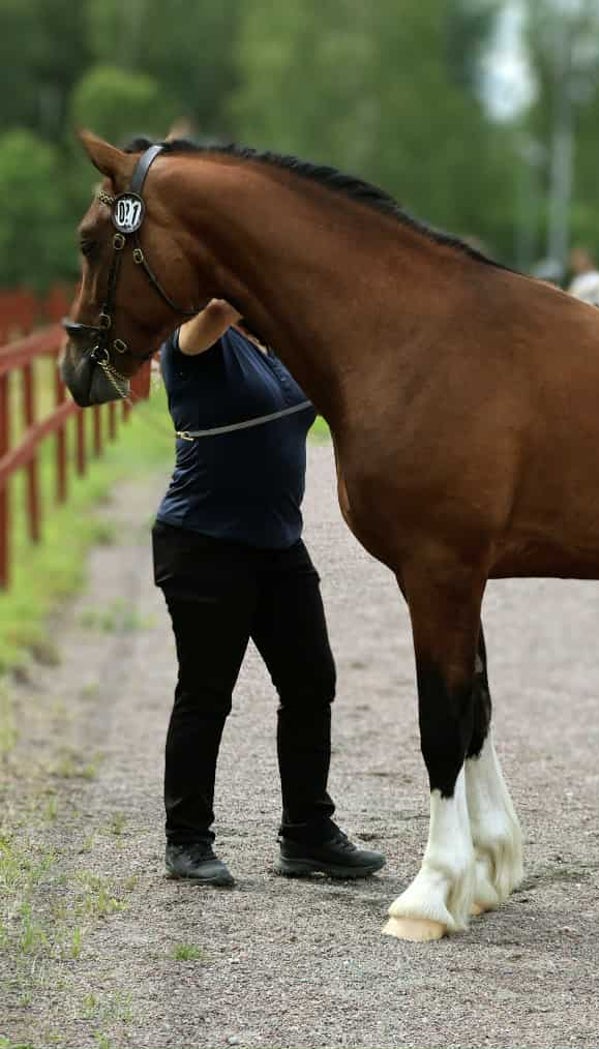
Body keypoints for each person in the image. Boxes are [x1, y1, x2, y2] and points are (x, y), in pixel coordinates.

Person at [153, 298, 385, 886]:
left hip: (279, 544)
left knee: (312, 682)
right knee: (207, 694)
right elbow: (212, 314)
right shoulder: (194, 341)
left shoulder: (277, 344)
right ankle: (187, 841)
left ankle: (307, 834)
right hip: (204, 545)